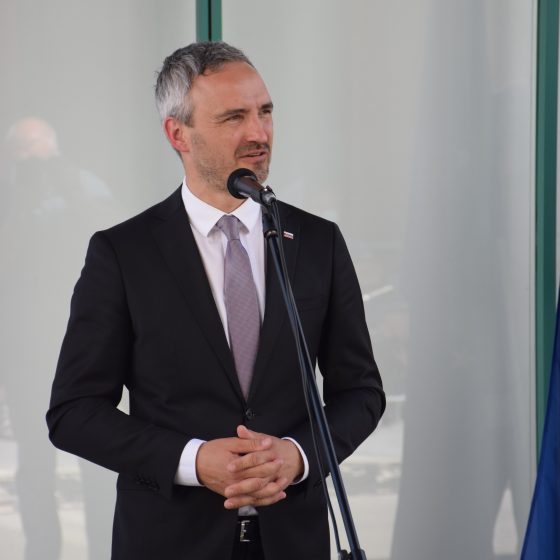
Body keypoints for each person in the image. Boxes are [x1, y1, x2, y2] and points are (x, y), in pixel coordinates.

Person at [47, 42, 385, 560]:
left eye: (264, 112)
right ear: (177, 134)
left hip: (294, 541)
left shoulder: (318, 242)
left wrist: (297, 457)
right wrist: (192, 460)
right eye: (234, 117)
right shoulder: (123, 253)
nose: (259, 133)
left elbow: (360, 392)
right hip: (168, 542)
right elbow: (74, 412)